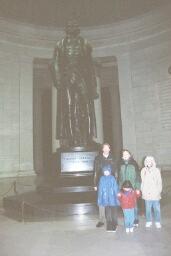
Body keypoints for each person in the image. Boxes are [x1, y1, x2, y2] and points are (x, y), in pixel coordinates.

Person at [51, 19, 98, 148]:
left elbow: (90, 64)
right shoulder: (60, 44)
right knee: (69, 107)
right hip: (67, 79)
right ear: (66, 29)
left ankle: (88, 137)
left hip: (82, 77)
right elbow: (54, 64)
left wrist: (93, 86)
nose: (72, 27)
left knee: (86, 107)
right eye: (69, 25)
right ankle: (72, 139)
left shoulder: (85, 43)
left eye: (74, 25)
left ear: (78, 28)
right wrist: (59, 81)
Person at [94, 143, 118, 228]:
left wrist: (116, 181)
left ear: (109, 149)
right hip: (101, 182)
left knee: (111, 199)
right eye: (104, 148)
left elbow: (115, 171)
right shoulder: (98, 158)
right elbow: (95, 172)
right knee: (101, 200)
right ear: (102, 149)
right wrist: (95, 183)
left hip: (111, 181)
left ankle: (112, 219)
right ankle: (101, 220)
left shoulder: (113, 158)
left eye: (108, 148)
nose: (106, 149)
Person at [118, 149, 140, 226]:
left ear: (130, 155)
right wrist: (119, 189)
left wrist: (137, 188)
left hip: (133, 188)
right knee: (125, 205)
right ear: (122, 156)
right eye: (124, 154)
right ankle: (128, 220)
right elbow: (119, 178)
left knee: (134, 205)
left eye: (126, 154)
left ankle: (135, 219)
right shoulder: (120, 164)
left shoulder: (134, 164)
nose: (125, 155)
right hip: (124, 189)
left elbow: (138, 176)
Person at [141, 156, 162, 228]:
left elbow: (159, 182)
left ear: (153, 162)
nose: (148, 163)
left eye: (150, 161)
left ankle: (157, 221)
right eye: (147, 161)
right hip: (146, 194)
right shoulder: (143, 170)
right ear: (145, 162)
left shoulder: (156, 170)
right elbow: (142, 182)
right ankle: (148, 221)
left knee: (156, 208)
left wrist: (158, 191)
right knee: (148, 209)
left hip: (155, 194)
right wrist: (143, 190)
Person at [98, 164, 119, 232]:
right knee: (108, 212)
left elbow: (115, 187)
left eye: (107, 171)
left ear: (110, 171)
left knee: (114, 211)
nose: (106, 172)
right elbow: (100, 189)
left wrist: (117, 196)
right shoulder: (102, 178)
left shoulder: (112, 178)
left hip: (113, 198)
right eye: (104, 171)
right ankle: (109, 224)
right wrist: (100, 198)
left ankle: (115, 223)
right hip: (105, 198)